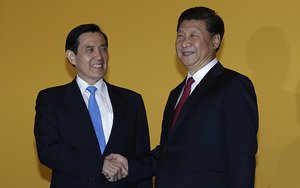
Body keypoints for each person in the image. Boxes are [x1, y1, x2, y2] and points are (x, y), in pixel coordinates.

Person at [106, 6, 259, 188]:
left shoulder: (233, 85)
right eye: (180, 35)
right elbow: (169, 152)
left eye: (193, 35)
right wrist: (129, 166)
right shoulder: (176, 93)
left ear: (215, 40)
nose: (185, 42)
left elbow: (241, 158)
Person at [34, 24, 152, 188]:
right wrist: (99, 165)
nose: (99, 56)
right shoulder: (51, 99)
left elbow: (142, 159)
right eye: (90, 50)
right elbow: (49, 151)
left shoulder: (132, 101)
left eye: (103, 49)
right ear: (71, 57)